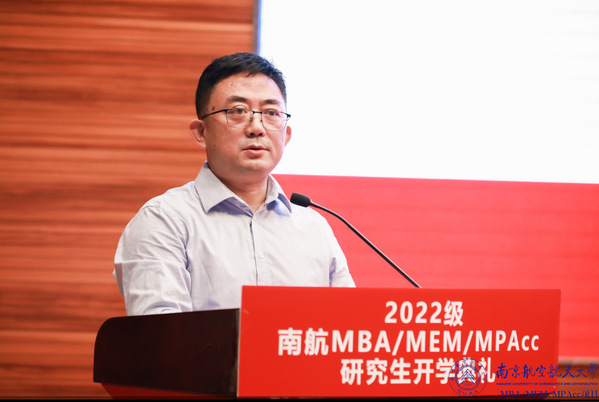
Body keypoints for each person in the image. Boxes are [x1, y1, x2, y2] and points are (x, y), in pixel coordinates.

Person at [113, 52, 355, 316]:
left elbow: (347, 327)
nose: (256, 128)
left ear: (286, 135)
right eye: (238, 111)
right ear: (201, 132)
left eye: (271, 112)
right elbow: (162, 335)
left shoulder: (314, 228)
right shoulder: (164, 220)